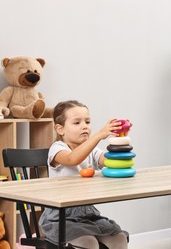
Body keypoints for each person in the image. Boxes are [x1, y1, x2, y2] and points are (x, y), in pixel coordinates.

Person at [39, 100, 128, 249]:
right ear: (60, 129)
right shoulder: (57, 149)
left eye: (87, 121)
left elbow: (112, 161)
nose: (84, 126)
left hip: (88, 215)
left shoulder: (91, 150)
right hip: (60, 218)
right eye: (77, 122)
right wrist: (99, 135)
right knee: (88, 242)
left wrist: (121, 139)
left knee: (119, 237)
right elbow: (72, 159)